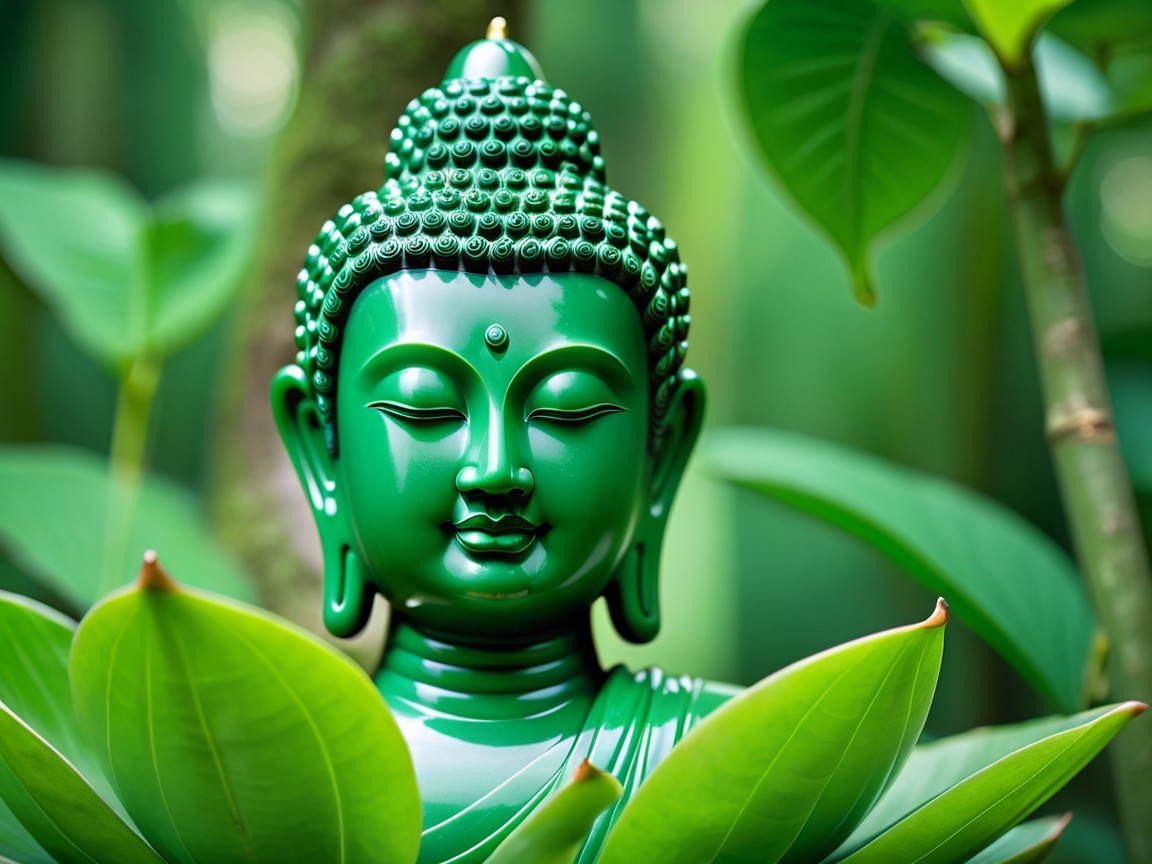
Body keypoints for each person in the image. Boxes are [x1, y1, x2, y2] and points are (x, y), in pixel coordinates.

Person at [272, 20, 737, 863]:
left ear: (660, 458)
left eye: (565, 412)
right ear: (322, 451)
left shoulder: (733, 756)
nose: (495, 471)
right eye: (423, 408)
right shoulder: (264, 771)